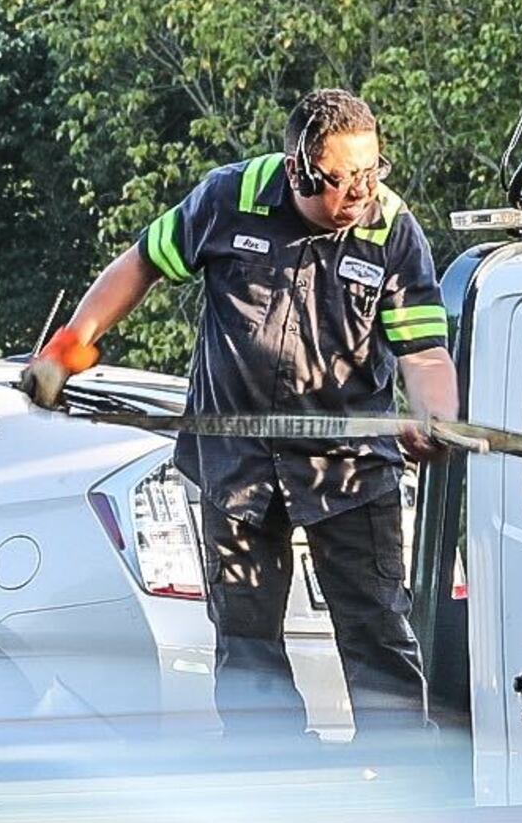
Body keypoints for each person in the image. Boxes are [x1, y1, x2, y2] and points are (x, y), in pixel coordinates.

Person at [24, 87, 455, 738]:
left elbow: (423, 352)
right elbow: (141, 263)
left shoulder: (391, 228)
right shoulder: (228, 198)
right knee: (247, 643)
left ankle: (400, 787)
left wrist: (434, 415)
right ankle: (272, 778)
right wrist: (70, 344)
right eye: (341, 182)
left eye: (371, 174)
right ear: (297, 171)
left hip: (350, 472)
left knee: (376, 635)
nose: (358, 196)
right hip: (238, 469)